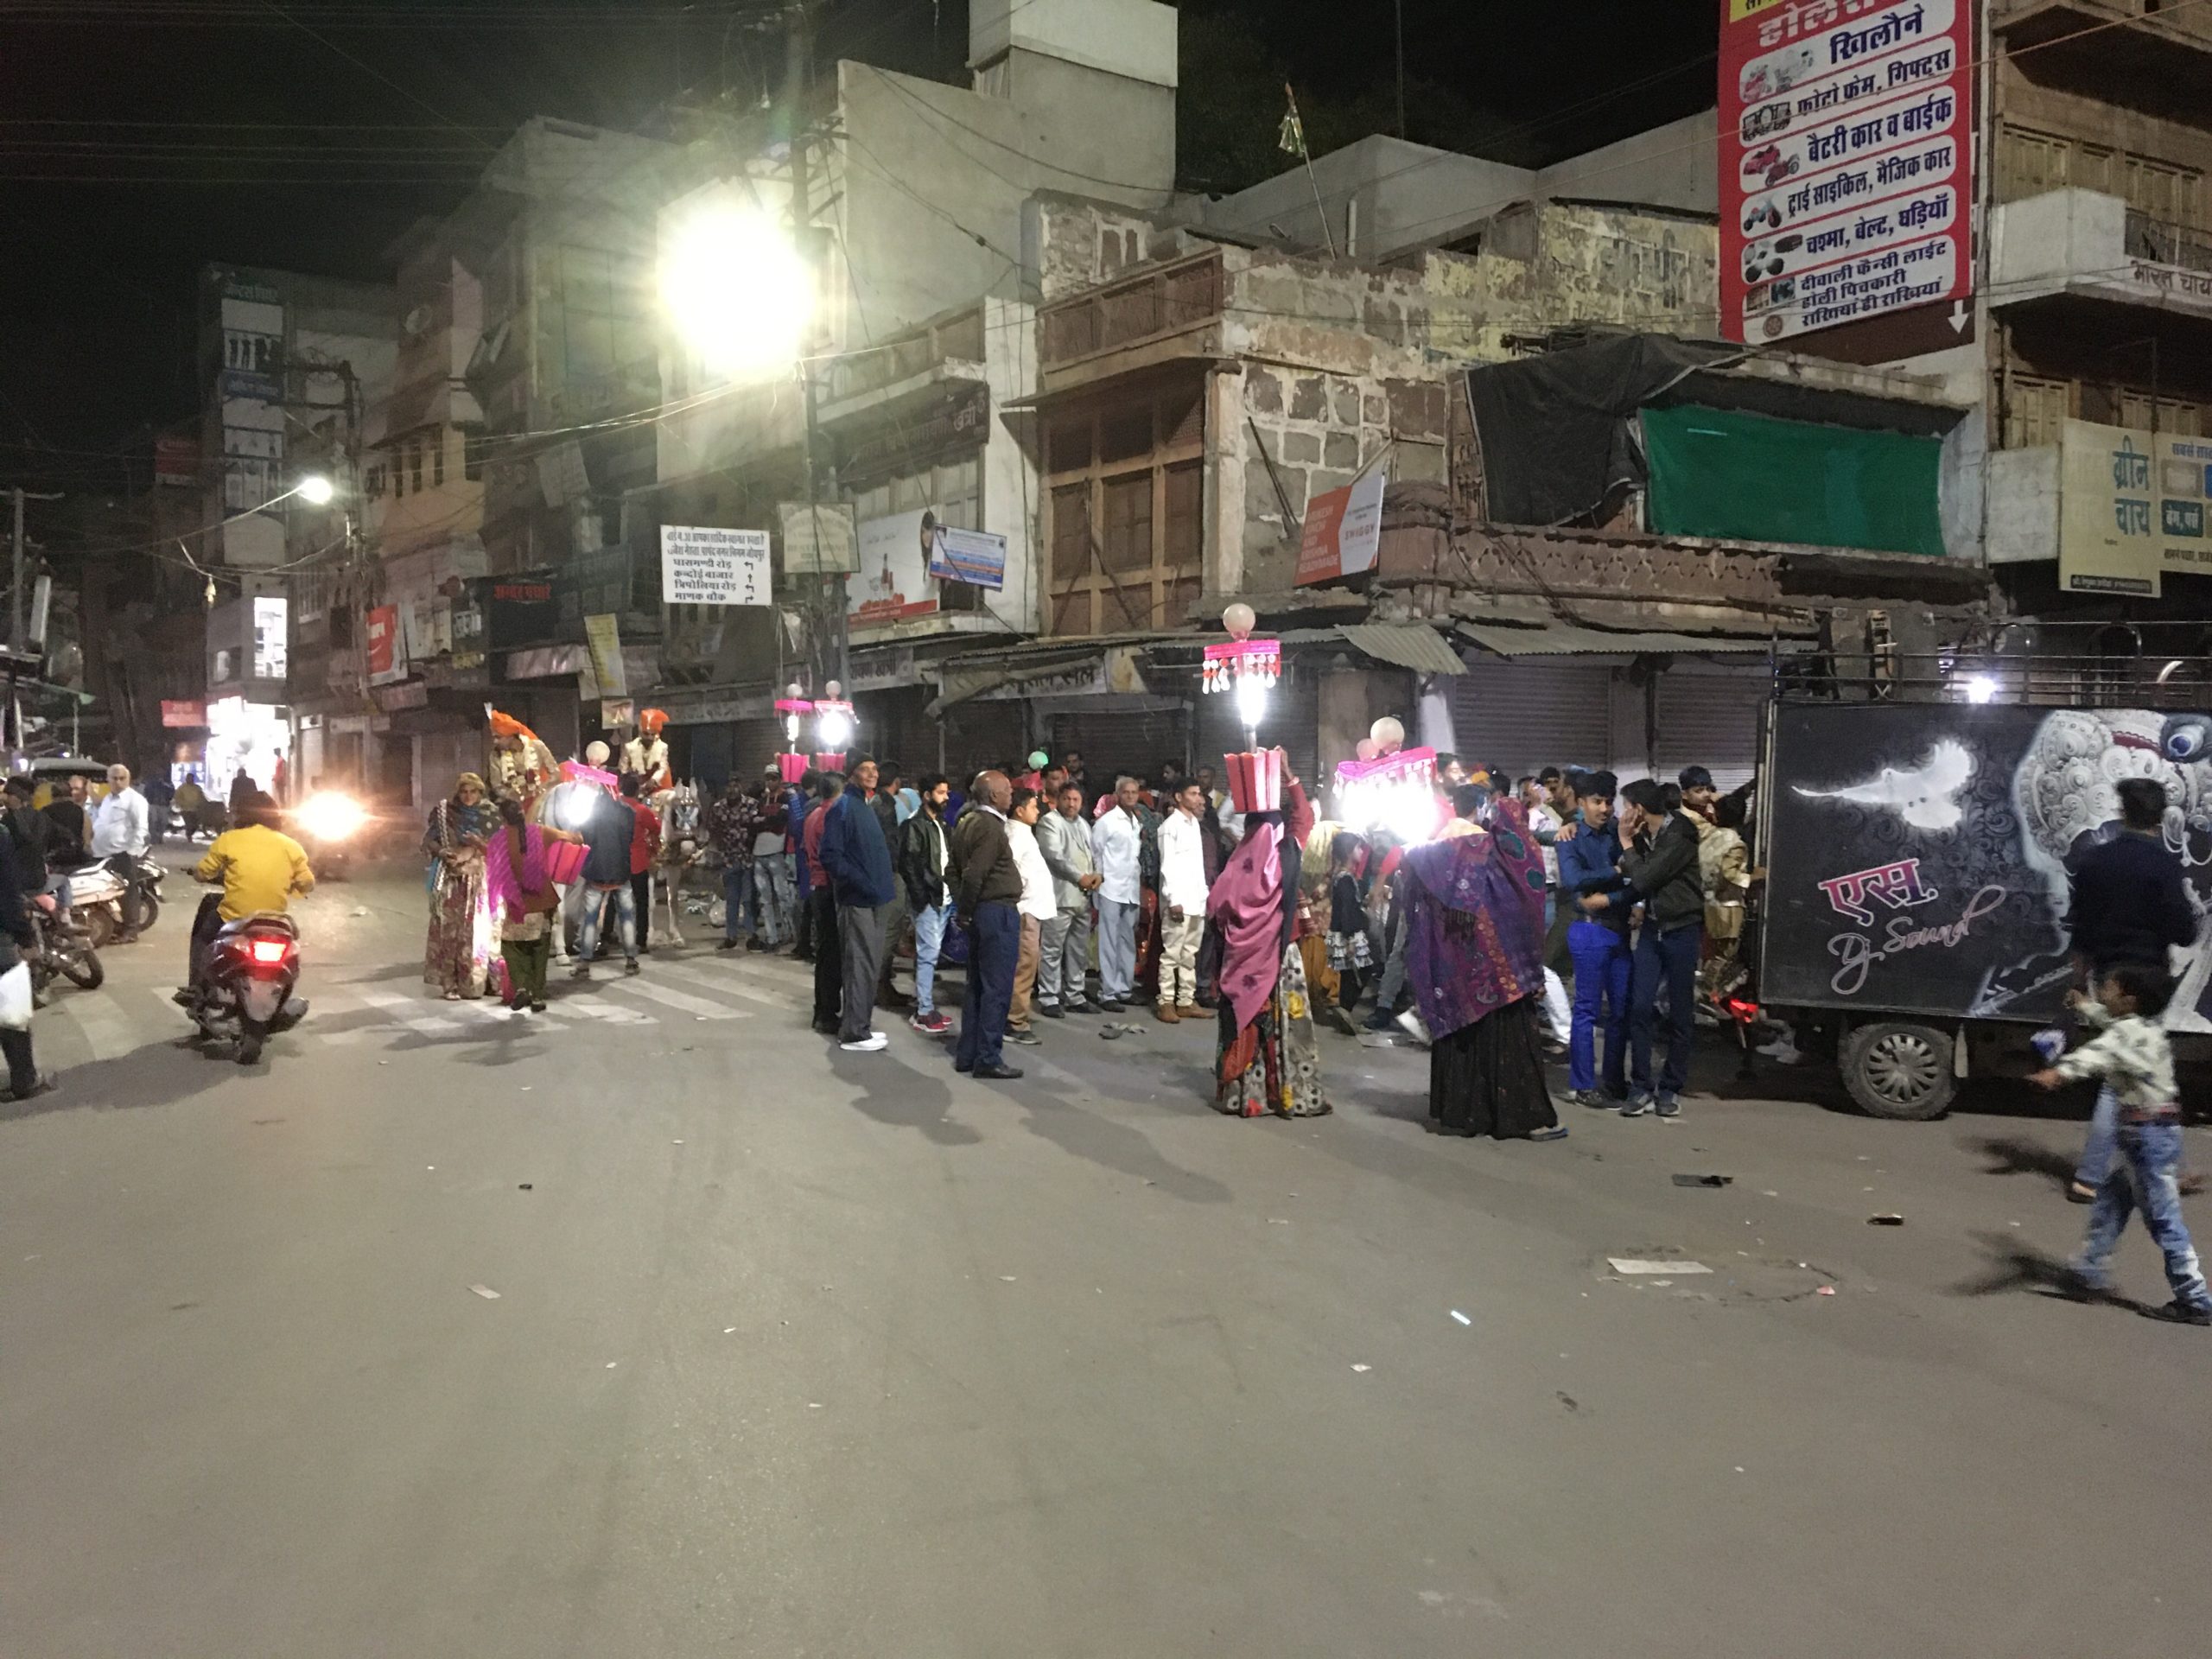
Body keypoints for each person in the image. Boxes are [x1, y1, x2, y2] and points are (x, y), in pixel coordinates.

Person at [2032, 965, 2212, 1325]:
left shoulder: (2125, 1034)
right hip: (2151, 1134)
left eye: (2109, 989)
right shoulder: (2144, 1027)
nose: (2103, 993)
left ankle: (2195, 1299)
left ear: (2129, 999)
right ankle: (2089, 1271)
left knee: (2164, 1220)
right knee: (2113, 1201)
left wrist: (2059, 1072)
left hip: (2146, 1139)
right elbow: (2109, 1025)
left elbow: (2096, 1053)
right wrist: (2085, 1006)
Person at [1401, 791, 1565, 1141]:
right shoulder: (1503, 863)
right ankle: (1519, 1118)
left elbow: (1417, 907)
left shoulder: (1437, 854)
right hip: (1504, 979)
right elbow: (1524, 912)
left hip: (1455, 973)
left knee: (1464, 1037)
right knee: (1509, 1042)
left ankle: (1462, 1113)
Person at [2064, 776, 2197, 1203]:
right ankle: (2094, 1176)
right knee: (2129, 1072)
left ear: (2122, 812)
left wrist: (2079, 981)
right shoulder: (2163, 864)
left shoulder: (2095, 861)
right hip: (2148, 981)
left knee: (2135, 1068)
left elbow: (2080, 929)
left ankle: (2163, 1168)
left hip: (2109, 978)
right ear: (2161, 817)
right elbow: (2184, 930)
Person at [1210, 753, 1329, 1118]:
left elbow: (1217, 910)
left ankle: (1245, 1096)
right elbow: (1304, 818)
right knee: (1284, 1024)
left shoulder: (1237, 863)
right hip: (1280, 955)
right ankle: (1287, 1094)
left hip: (1241, 960)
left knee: (1245, 1018)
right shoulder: (1286, 855)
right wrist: (1290, 777)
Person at [1617, 776, 1705, 1118]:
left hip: (1682, 929)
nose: (1622, 815)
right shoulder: (1647, 835)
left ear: (1639, 809)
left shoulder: (1679, 835)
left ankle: (1670, 1088)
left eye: (1626, 807)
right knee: (1640, 1006)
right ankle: (1641, 1086)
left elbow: (1642, 879)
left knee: (1679, 1012)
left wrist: (1626, 841)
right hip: (1653, 930)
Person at [187, 791, 313, 1000]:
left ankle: (197, 988)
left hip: (234, 916)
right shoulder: (291, 845)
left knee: (203, 937)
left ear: (240, 814)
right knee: (293, 942)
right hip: (274, 919)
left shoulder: (229, 840)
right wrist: (293, 887)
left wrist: (198, 874)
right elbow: (307, 882)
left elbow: (204, 872)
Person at [1561, 771, 1632, 1107]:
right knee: (1587, 1010)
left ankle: (1614, 1081)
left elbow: (1638, 877)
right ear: (1581, 803)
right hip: (1589, 930)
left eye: (1608, 802)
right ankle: (1583, 1085)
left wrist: (1612, 895)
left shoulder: (1620, 833)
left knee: (1620, 1010)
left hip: (1619, 929)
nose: (1604, 808)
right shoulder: (1570, 837)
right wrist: (1616, 872)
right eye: (1596, 801)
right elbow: (1573, 880)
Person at [817, 757, 897, 1053]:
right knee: (859, 966)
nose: (873, 774)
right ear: (852, 774)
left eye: (875, 769)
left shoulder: (863, 805)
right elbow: (831, 855)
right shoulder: (843, 807)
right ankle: (853, 1032)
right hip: (858, 899)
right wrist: (860, 882)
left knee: (869, 965)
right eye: (865, 769)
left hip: (874, 898)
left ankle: (861, 1025)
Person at [949, 769, 1023, 1080]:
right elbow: (974, 874)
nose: (1012, 795)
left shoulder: (966, 822)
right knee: (997, 988)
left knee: (977, 987)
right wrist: (966, 911)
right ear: (993, 795)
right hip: (997, 912)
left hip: (981, 912)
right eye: (1007, 790)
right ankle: (988, 1057)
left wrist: (964, 909)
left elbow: (952, 871)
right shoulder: (990, 827)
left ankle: (968, 1053)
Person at [486, 793, 577, 1014]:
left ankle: (522, 987)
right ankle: (537, 996)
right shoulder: (540, 832)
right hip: (542, 902)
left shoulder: (498, 840)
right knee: (539, 950)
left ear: (502, 818)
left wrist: (477, 843)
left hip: (517, 905)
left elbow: (491, 858)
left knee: (512, 947)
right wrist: (577, 835)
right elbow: (572, 838)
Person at [422, 772, 500, 1000]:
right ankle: (451, 985)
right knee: (451, 933)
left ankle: (486, 982)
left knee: (481, 932)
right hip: (452, 880)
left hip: (481, 881)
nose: (468, 796)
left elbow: (497, 845)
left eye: (473, 792)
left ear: (480, 792)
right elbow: (429, 840)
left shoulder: (490, 814)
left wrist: (472, 850)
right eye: (464, 792)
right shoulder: (446, 813)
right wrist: (442, 852)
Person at [1035, 780, 1100, 1018]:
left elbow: (1093, 854)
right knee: (1052, 950)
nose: (1071, 804)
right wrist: (1081, 877)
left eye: (1076, 800)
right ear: (1058, 800)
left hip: (1083, 897)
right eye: (1067, 799)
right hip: (1060, 896)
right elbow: (1054, 856)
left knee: (1078, 950)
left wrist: (1097, 875)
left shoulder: (1083, 824)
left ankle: (1075, 995)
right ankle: (1049, 997)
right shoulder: (1049, 822)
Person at [899, 775, 957, 1036]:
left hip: (941, 897)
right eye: (941, 792)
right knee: (927, 955)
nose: (946, 797)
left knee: (930, 955)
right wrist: (921, 899)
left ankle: (926, 1007)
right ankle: (923, 1010)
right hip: (929, 899)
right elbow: (910, 865)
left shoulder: (940, 823)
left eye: (946, 792)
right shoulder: (915, 825)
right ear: (926, 795)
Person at [1090, 776, 1151, 1012]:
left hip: (1130, 888)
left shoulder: (1136, 821)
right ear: (1117, 795)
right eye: (1126, 792)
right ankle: (1108, 993)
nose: (1131, 796)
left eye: (1134, 792)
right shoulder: (1107, 822)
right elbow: (1096, 852)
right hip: (1110, 888)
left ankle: (1124, 989)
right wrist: (1099, 878)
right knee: (1109, 941)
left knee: (1127, 940)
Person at [570, 774, 639, 981]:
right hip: (621, 870)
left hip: (596, 871)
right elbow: (629, 838)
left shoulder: (591, 812)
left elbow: (586, 838)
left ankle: (585, 962)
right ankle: (631, 960)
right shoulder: (628, 812)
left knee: (590, 918)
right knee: (626, 916)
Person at [1154, 779, 1210, 1023]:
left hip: (1196, 899)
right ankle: (1165, 1001)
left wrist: (1203, 895)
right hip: (1178, 900)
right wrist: (1173, 898)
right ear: (1179, 797)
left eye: (1199, 794)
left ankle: (1186, 1000)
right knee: (1172, 953)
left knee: (1189, 954)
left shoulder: (1194, 824)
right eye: (1193, 793)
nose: (1199, 798)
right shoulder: (1170, 826)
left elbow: (1197, 865)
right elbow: (1167, 865)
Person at [1006, 785, 1055, 1046]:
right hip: (1026, 910)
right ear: (1019, 810)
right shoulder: (1016, 834)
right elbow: (1012, 869)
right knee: (1024, 967)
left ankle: (1015, 1017)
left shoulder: (1024, 832)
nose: (1038, 811)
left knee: (1026, 966)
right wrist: (1021, 895)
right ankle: (1015, 1021)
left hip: (1031, 909)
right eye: (1034, 807)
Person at [91, 763, 155, 943]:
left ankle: (131, 931)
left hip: (122, 853)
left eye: (122, 778)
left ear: (128, 779)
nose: (118, 782)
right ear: (108, 779)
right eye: (114, 778)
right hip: (102, 853)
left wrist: (132, 852)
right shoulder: (108, 799)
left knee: (128, 892)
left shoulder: (135, 800)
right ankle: (116, 927)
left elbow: (141, 827)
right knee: (109, 893)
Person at [803, 771, 844, 1031]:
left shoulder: (813, 815)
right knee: (832, 954)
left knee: (825, 953)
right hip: (828, 886)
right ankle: (827, 1012)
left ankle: (823, 1009)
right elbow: (833, 856)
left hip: (817, 884)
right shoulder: (831, 816)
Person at [1323, 830, 1372, 1025]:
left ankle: (1345, 1013)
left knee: (1349, 974)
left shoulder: (1341, 876)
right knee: (1362, 970)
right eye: (1358, 847)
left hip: (1343, 933)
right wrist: (1350, 938)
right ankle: (1345, 1010)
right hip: (1349, 934)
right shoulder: (1345, 879)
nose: (1361, 851)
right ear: (1349, 851)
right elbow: (1346, 910)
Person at [704, 778, 759, 952]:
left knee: (748, 900)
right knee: (731, 900)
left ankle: (751, 936)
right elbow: (713, 831)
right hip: (728, 860)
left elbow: (758, 828)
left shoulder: (751, 805)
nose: (732, 789)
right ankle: (731, 936)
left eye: (736, 785)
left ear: (741, 787)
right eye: (729, 785)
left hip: (748, 859)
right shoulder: (718, 808)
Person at [619, 773, 661, 955]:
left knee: (613, 902)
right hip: (638, 862)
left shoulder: (615, 808)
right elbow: (656, 828)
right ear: (637, 790)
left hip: (618, 861)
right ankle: (640, 940)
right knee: (641, 902)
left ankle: (606, 936)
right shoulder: (642, 810)